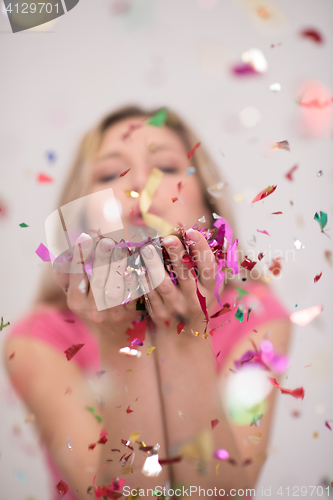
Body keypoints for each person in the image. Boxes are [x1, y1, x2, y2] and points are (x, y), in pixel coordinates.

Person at [4, 105, 291, 500]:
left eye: (168, 167)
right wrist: (122, 340)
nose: (140, 182)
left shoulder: (256, 315)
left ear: (209, 207)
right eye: (108, 174)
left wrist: (188, 333)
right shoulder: (38, 339)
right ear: (78, 220)